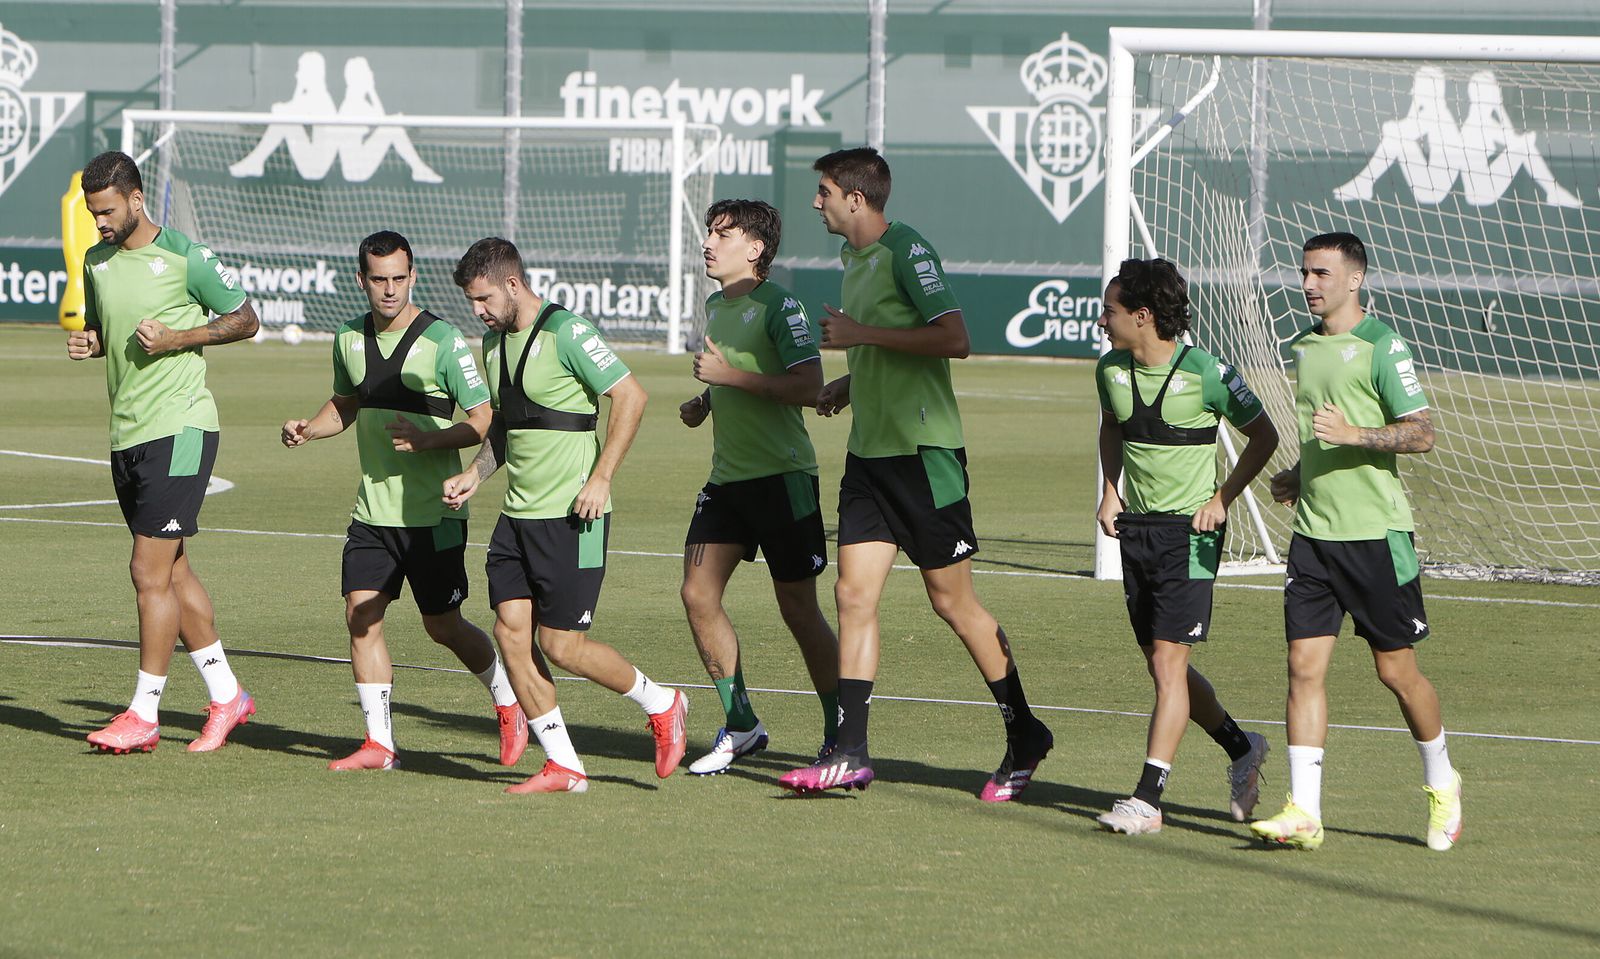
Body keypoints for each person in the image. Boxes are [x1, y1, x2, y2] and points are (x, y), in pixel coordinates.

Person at [779, 147, 1052, 799]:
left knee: (952, 602)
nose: (816, 202)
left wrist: (860, 336)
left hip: (927, 457)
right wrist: (850, 381)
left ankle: (1024, 732)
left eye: (823, 191)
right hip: (870, 459)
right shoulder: (852, 259)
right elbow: (886, 345)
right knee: (852, 595)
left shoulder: (908, 251)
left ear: (855, 197)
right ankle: (850, 750)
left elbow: (954, 338)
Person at [443, 237, 687, 793]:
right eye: (471, 303)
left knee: (561, 646)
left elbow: (631, 397)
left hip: (573, 517)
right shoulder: (492, 343)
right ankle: (564, 765)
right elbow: (506, 426)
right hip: (515, 520)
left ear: (511, 284)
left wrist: (601, 479)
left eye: (482, 300)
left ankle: (664, 703)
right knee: (510, 634)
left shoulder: (568, 333)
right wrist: (474, 476)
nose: (477, 312)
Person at [280, 230, 526, 771]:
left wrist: (428, 441)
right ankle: (379, 744)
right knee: (360, 617)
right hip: (373, 511)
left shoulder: (442, 341)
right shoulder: (347, 338)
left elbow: (482, 421)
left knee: (443, 626)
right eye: (378, 279)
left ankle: (508, 699)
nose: (389, 290)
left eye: (399, 278)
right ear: (361, 280)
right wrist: (310, 429)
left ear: (413, 277)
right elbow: (345, 404)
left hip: (432, 514)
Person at [1250, 232, 1463, 852]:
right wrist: (1301, 473)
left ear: (1354, 280)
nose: (1309, 283)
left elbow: (1420, 435)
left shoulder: (1382, 345)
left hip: (1376, 538)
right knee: (1302, 668)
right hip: (1314, 537)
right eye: (1304, 272)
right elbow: (1324, 437)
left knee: (1396, 672)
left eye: (1321, 273)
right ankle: (1303, 812)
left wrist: (1353, 435)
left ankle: (1442, 781)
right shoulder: (1302, 347)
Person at [68, 150, 260, 754]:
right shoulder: (97, 261)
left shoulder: (187, 258)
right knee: (173, 571)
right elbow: (107, 329)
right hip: (126, 435)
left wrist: (183, 336)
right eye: (93, 212)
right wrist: (92, 342)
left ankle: (143, 715)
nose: (99, 223)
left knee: (146, 571)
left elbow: (246, 319)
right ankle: (228, 697)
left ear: (136, 199)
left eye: (106, 211)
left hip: (181, 430)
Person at [1090, 258, 1278, 836]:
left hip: (1192, 537)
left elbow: (1264, 435)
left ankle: (1148, 799)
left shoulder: (1208, 372)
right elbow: (1112, 428)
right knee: (1162, 666)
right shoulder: (1110, 371)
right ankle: (1244, 748)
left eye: (1111, 311)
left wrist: (1222, 498)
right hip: (1136, 531)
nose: (1102, 321)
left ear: (1143, 316)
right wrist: (1109, 492)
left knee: (1171, 666)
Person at [677, 199, 840, 775]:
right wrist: (707, 400)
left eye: (723, 235)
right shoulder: (717, 304)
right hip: (727, 481)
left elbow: (810, 386)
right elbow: (736, 382)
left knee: (798, 608)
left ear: (756, 247)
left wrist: (727, 378)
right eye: (709, 234)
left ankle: (840, 732)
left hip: (783, 479)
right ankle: (741, 722)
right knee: (698, 595)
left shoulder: (781, 305)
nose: (708, 243)